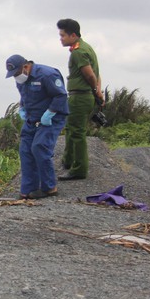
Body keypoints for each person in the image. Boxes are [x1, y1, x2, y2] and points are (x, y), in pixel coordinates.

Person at [5, 54, 69, 199]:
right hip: (32, 118)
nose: (16, 77)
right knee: (25, 150)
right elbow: (24, 96)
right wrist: (22, 108)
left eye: (17, 73)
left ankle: (50, 187)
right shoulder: (20, 80)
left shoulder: (47, 74)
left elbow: (61, 96)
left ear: (26, 66)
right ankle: (28, 190)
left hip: (52, 118)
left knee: (39, 146)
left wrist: (50, 112)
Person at [56, 19, 103, 180]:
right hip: (82, 95)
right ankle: (68, 161)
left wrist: (95, 90)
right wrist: (98, 90)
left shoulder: (78, 52)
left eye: (63, 35)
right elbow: (97, 74)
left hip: (80, 96)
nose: (60, 38)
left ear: (73, 35)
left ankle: (79, 169)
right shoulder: (86, 47)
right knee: (71, 129)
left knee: (77, 133)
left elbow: (90, 74)